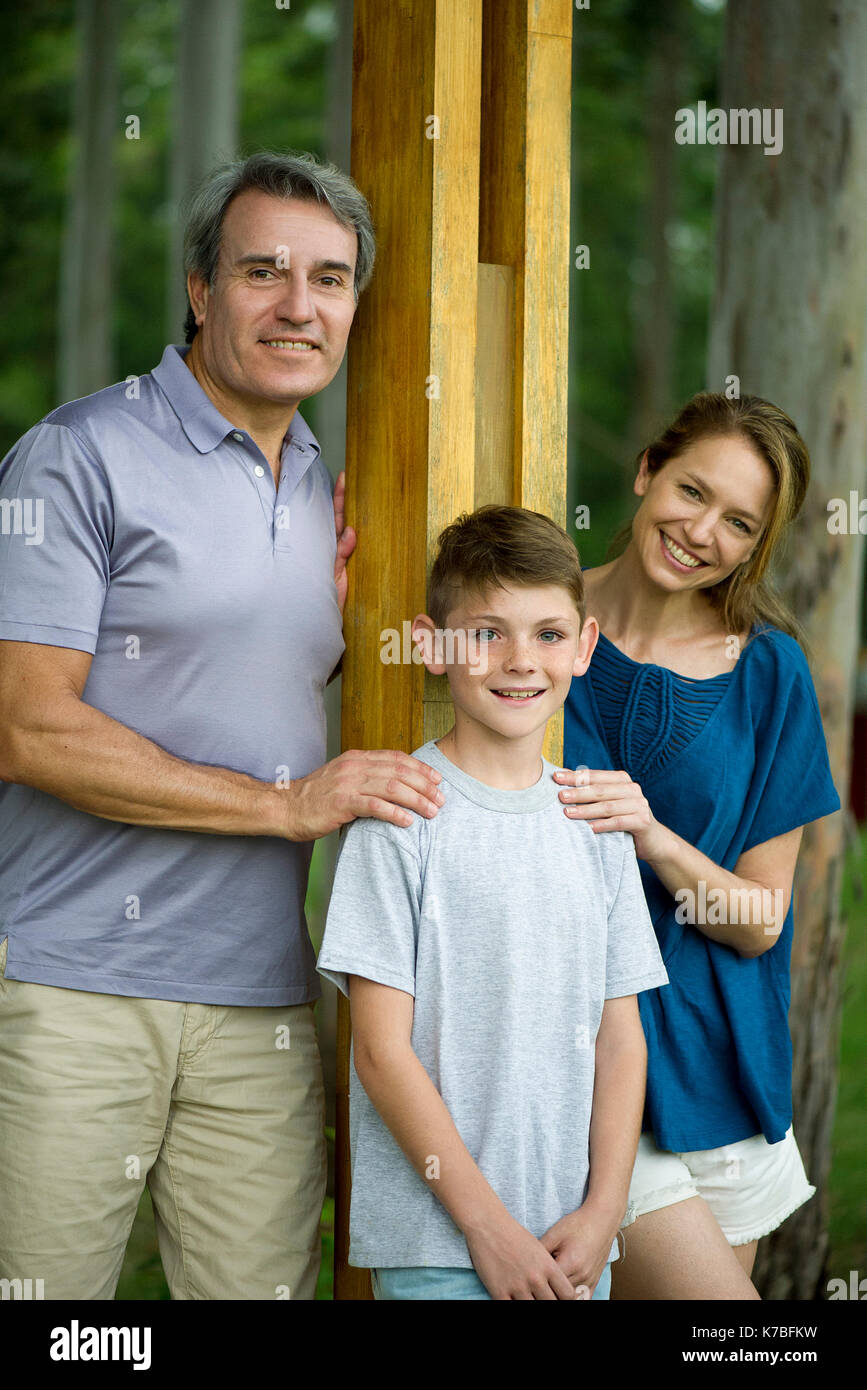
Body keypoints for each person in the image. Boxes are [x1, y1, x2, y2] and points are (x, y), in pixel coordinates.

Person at [0, 151, 445, 1301]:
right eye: (264, 271)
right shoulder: (77, 455)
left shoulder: (319, 486)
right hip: (73, 987)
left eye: (331, 279)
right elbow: (28, 727)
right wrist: (285, 807)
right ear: (201, 289)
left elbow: (241, 680)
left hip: (263, 1003)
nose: (300, 305)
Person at [316, 504, 669, 1300]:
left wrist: (605, 1210)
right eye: (486, 633)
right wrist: (487, 1230)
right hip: (438, 1241)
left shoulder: (596, 820)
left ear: (583, 646)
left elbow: (621, 1042)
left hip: (573, 1242)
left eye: (548, 634)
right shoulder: (401, 815)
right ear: (434, 644)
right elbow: (379, 1050)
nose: (519, 660)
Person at [558, 392, 840, 1299]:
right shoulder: (537, 624)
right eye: (690, 490)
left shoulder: (768, 674)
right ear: (646, 472)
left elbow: (757, 921)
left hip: (722, 1075)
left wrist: (649, 834)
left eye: (738, 523)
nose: (699, 530)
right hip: (589, 1072)